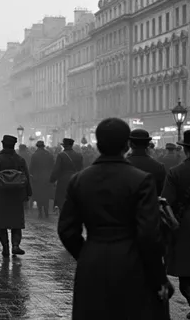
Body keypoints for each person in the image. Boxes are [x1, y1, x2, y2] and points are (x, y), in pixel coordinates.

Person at [58, 118, 171, 319]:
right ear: (126, 145)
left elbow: (67, 230)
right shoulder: (141, 180)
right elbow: (148, 234)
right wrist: (159, 278)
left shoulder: (79, 180)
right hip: (132, 262)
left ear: (98, 144)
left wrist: (86, 254)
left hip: (92, 260)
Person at [160, 130, 190, 320]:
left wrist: (171, 224)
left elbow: (165, 202)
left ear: (184, 149)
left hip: (185, 225)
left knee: (186, 272)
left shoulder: (176, 172)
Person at [0, 135, 31, 257]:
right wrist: (28, 193)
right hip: (16, 195)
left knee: (2, 224)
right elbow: (26, 177)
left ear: (3, 144)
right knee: (16, 223)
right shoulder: (20, 160)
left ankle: (5, 247)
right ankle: (15, 245)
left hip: (1, 194)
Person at [126, 129, 166, 196]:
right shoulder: (159, 167)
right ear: (147, 144)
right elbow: (161, 193)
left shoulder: (122, 165)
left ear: (130, 144)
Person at [50, 138, 83, 212]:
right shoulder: (79, 155)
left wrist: (52, 179)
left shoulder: (61, 155)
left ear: (64, 146)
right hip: (76, 179)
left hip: (64, 180)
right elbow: (81, 168)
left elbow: (57, 169)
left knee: (62, 199)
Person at [29, 140, 54, 218]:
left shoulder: (34, 155)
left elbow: (31, 168)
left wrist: (32, 175)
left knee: (39, 195)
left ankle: (40, 212)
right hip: (47, 177)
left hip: (37, 178)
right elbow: (53, 166)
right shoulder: (49, 154)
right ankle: (46, 211)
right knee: (46, 195)